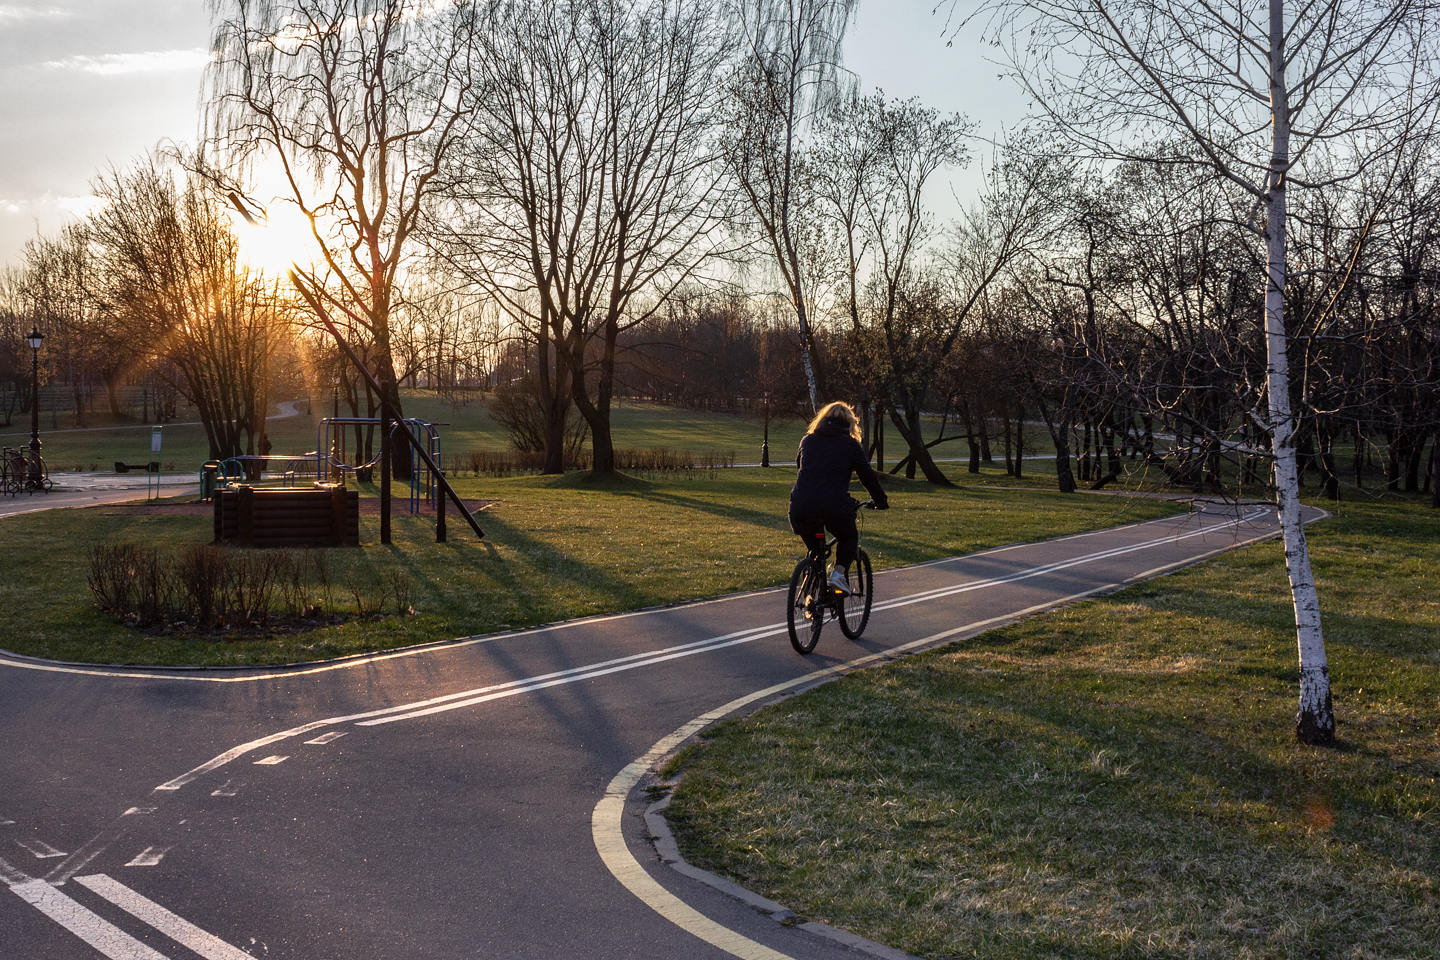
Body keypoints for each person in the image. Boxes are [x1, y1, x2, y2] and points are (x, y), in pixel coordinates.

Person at [788, 401, 889, 595]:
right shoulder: (850, 445)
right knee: (849, 537)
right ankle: (838, 574)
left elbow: (800, 468)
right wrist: (880, 501)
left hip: (800, 506)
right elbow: (867, 477)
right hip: (833, 506)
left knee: (815, 553)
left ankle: (810, 591)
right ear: (849, 423)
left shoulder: (807, 440)